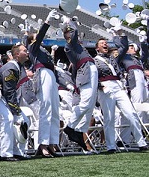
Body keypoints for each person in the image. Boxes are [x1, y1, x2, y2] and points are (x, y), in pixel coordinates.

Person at [24, 9, 70, 157]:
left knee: (55, 111)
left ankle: (52, 142)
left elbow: (54, 69)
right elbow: (40, 36)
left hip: (50, 76)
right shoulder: (33, 48)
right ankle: (42, 144)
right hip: (42, 74)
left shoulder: (43, 51)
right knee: (46, 109)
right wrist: (47, 22)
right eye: (36, 36)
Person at [94, 32, 147, 153]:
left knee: (131, 113)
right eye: (102, 43)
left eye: (106, 43)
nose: (105, 44)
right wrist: (100, 86)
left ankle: (141, 142)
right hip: (105, 87)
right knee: (109, 118)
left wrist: (120, 35)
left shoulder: (113, 58)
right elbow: (93, 77)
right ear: (97, 48)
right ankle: (111, 146)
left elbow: (123, 47)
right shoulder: (94, 61)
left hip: (118, 86)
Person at [61, 18, 98, 152]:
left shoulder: (76, 46)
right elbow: (75, 31)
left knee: (90, 105)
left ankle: (79, 133)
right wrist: (68, 22)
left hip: (90, 69)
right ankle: (70, 128)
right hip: (86, 71)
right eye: (68, 33)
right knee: (86, 103)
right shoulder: (69, 45)